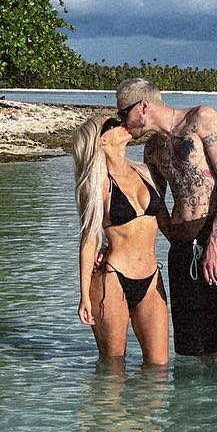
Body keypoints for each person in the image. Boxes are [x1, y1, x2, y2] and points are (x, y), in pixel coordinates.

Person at [116, 77, 217, 373]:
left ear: (143, 107)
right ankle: (208, 415)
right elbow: (152, 204)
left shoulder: (201, 119)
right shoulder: (152, 150)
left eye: (123, 113)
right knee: (203, 354)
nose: (123, 122)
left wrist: (215, 242)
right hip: (183, 252)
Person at [68, 110, 170, 367]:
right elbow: (89, 239)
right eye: (113, 124)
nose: (122, 123)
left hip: (151, 277)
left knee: (159, 369)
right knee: (113, 371)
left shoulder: (145, 171)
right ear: (101, 141)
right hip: (113, 278)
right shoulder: (95, 185)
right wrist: (83, 296)